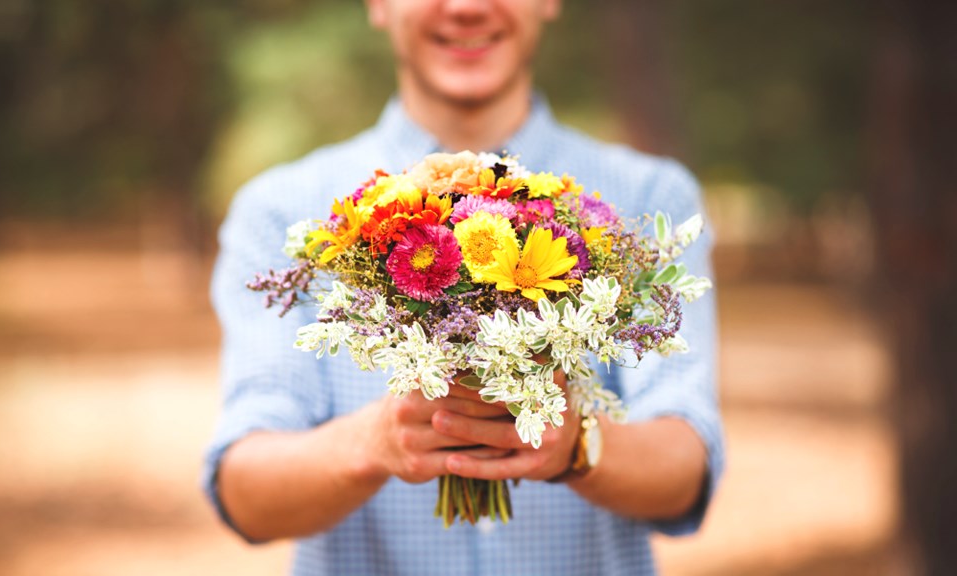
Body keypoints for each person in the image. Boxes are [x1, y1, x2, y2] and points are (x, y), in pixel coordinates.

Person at [204, 1, 724, 574]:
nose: (468, 6)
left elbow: (687, 468)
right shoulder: (283, 215)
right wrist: (373, 443)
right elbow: (245, 493)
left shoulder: (646, 201)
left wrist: (576, 442)